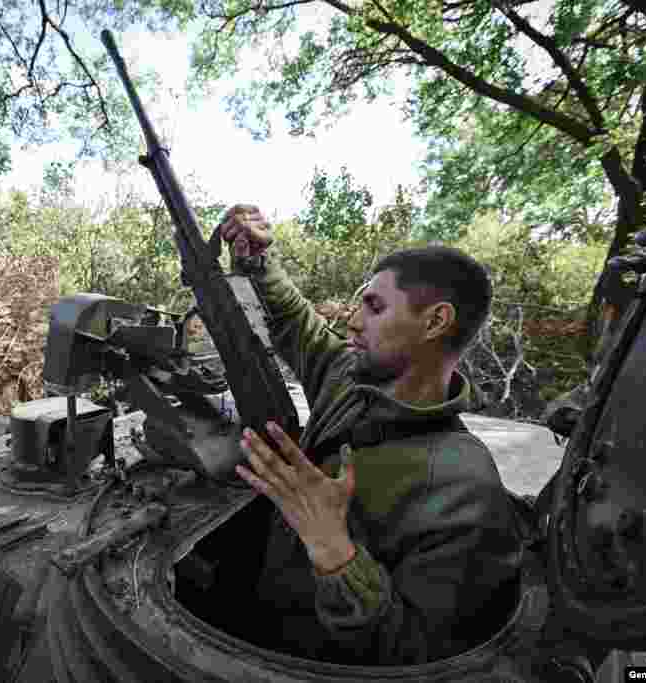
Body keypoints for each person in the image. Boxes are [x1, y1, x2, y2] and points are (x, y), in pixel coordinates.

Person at [219, 204, 523, 666]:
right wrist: (259, 259)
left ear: (435, 321)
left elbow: (419, 653)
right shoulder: (348, 375)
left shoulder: (465, 488)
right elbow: (295, 322)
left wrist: (333, 550)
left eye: (374, 307)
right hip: (264, 627)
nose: (352, 321)